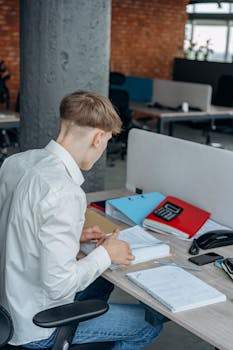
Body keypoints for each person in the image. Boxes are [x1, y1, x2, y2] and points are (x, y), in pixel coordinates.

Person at [0, 91, 163, 349]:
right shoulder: (64, 191)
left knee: (100, 284)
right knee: (148, 323)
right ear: (98, 138)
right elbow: (58, 285)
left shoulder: (16, 163)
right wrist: (107, 254)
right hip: (37, 324)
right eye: (107, 141)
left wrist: (73, 237)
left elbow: (16, 225)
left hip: (8, 304)